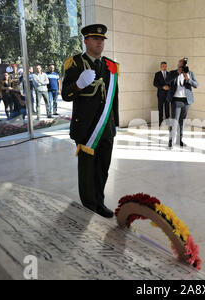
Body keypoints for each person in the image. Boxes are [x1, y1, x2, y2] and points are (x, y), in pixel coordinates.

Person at [62, 24, 119, 219]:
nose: (99, 42)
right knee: (87, 171)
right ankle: (89, 206)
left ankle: (99, 202)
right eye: (95, 39)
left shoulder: (111, 65)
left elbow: (114, 97)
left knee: (103, 168)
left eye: (102, 39)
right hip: (86, 128)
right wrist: (78, 85)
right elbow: (66, 94)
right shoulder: (75, 63)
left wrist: (115, 123)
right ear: (86, 41)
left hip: (106, 127)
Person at [165, 58, 198, 148]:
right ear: (177, 65)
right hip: (176, 100)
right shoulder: (173, 73)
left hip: (186, 101)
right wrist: (177, 73)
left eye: (183, 66)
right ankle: (171, 141)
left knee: (182, 122)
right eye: (180, 65)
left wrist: (189, 79)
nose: (182, 67)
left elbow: (196, 85)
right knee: (174, 122)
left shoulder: (190, 73)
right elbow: (167, 81)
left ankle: (179, 141)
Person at [153, 62, 170, 126]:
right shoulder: (157, 74)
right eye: (163, 66)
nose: (164, 67)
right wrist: (162, 87)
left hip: (168, 94)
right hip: (160, 94)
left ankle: (167, 121)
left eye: (165, 66)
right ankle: (160, 121)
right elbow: (155, 83)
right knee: (160, 108)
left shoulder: (169, 74)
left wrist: (169, 87)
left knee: (167, 108)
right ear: (160, 67)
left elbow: (171, 83)